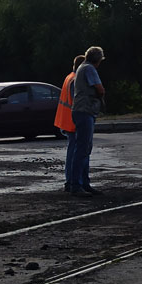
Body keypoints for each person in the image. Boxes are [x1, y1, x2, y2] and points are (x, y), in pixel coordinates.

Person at [70, 46, 106, 197]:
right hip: (85, 111)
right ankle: (77, 185)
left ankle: (83, 183)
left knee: (84, 149)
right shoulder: (90, 69)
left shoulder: (81, 68)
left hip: (81, 110)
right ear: (97, 60)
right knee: (83, 149)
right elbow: (100, 89)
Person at [53, 54, 85, 192]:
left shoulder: (69, 77)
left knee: (72, 151)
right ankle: (72, 181)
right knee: (75, 152)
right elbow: (76, 101)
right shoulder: (75, 79)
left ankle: (70, 181)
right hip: (74, 121)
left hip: (67, 120)